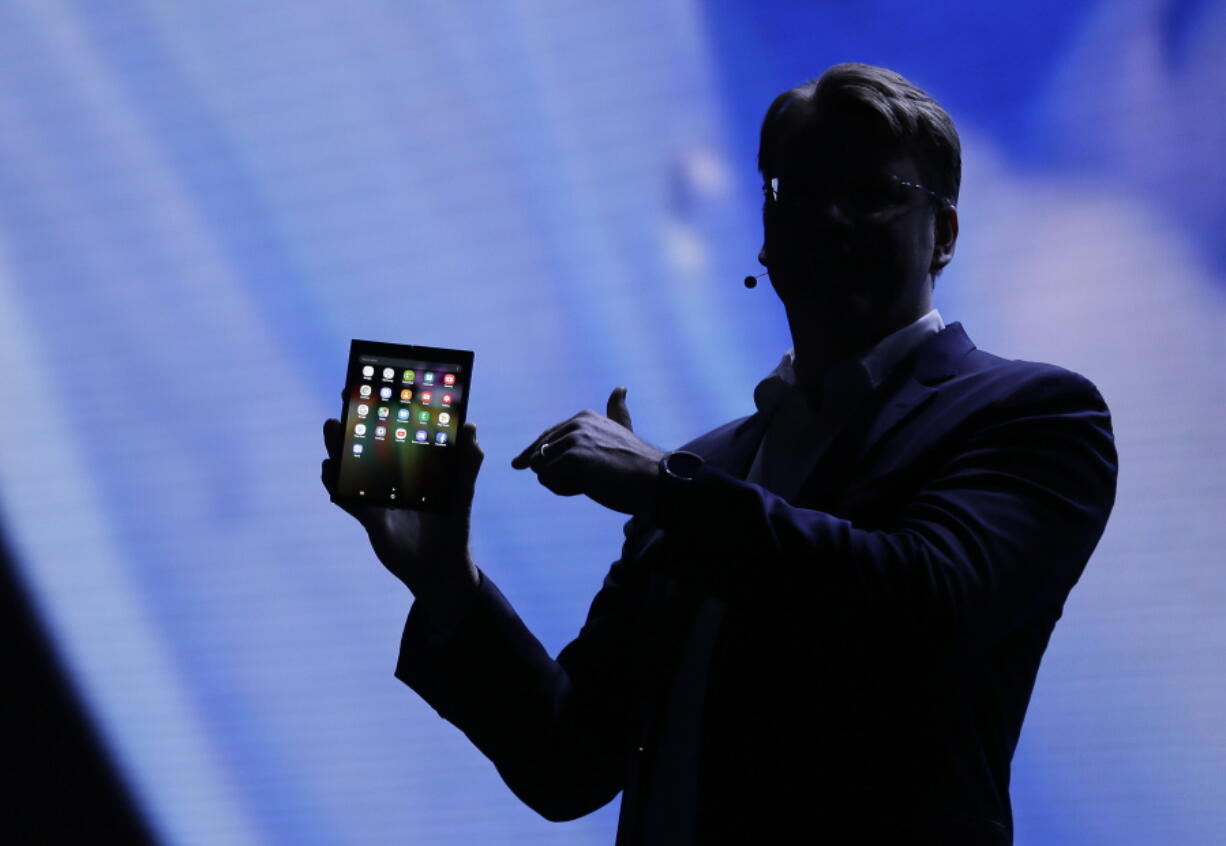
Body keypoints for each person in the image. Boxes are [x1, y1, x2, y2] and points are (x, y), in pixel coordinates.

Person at [321, 63, 1118, 845]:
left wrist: (664, 485)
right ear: (766, 236)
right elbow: (570, 765)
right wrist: (445, 578)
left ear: (943, 234)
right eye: (798, 194)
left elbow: (923, 602)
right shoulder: (712, 465)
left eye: (873, 194)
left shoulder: (1036, 414)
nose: (830, 217)